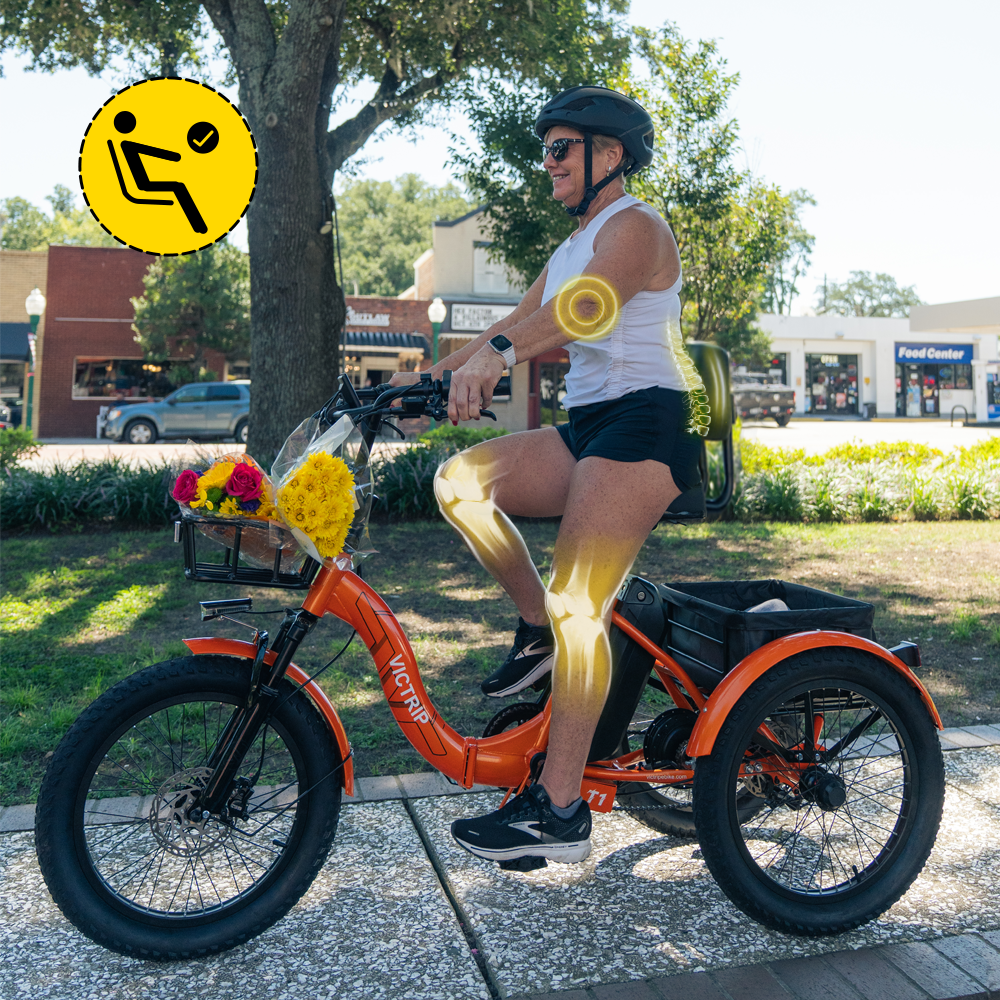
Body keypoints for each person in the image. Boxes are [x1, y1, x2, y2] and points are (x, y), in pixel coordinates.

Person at [391, 86, 706, 865]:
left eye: (561, 149)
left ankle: (559, 810)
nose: (549, 164)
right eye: (546, 152)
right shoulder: (572, 246)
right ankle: (534, 627)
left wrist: (500, 359)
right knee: (461, 483)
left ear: (611, 153)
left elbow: (590, 308)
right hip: (592, 426)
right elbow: (511, 324)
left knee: (580, 606)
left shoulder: (636, 227)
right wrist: (419, 388)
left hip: (647, 423)